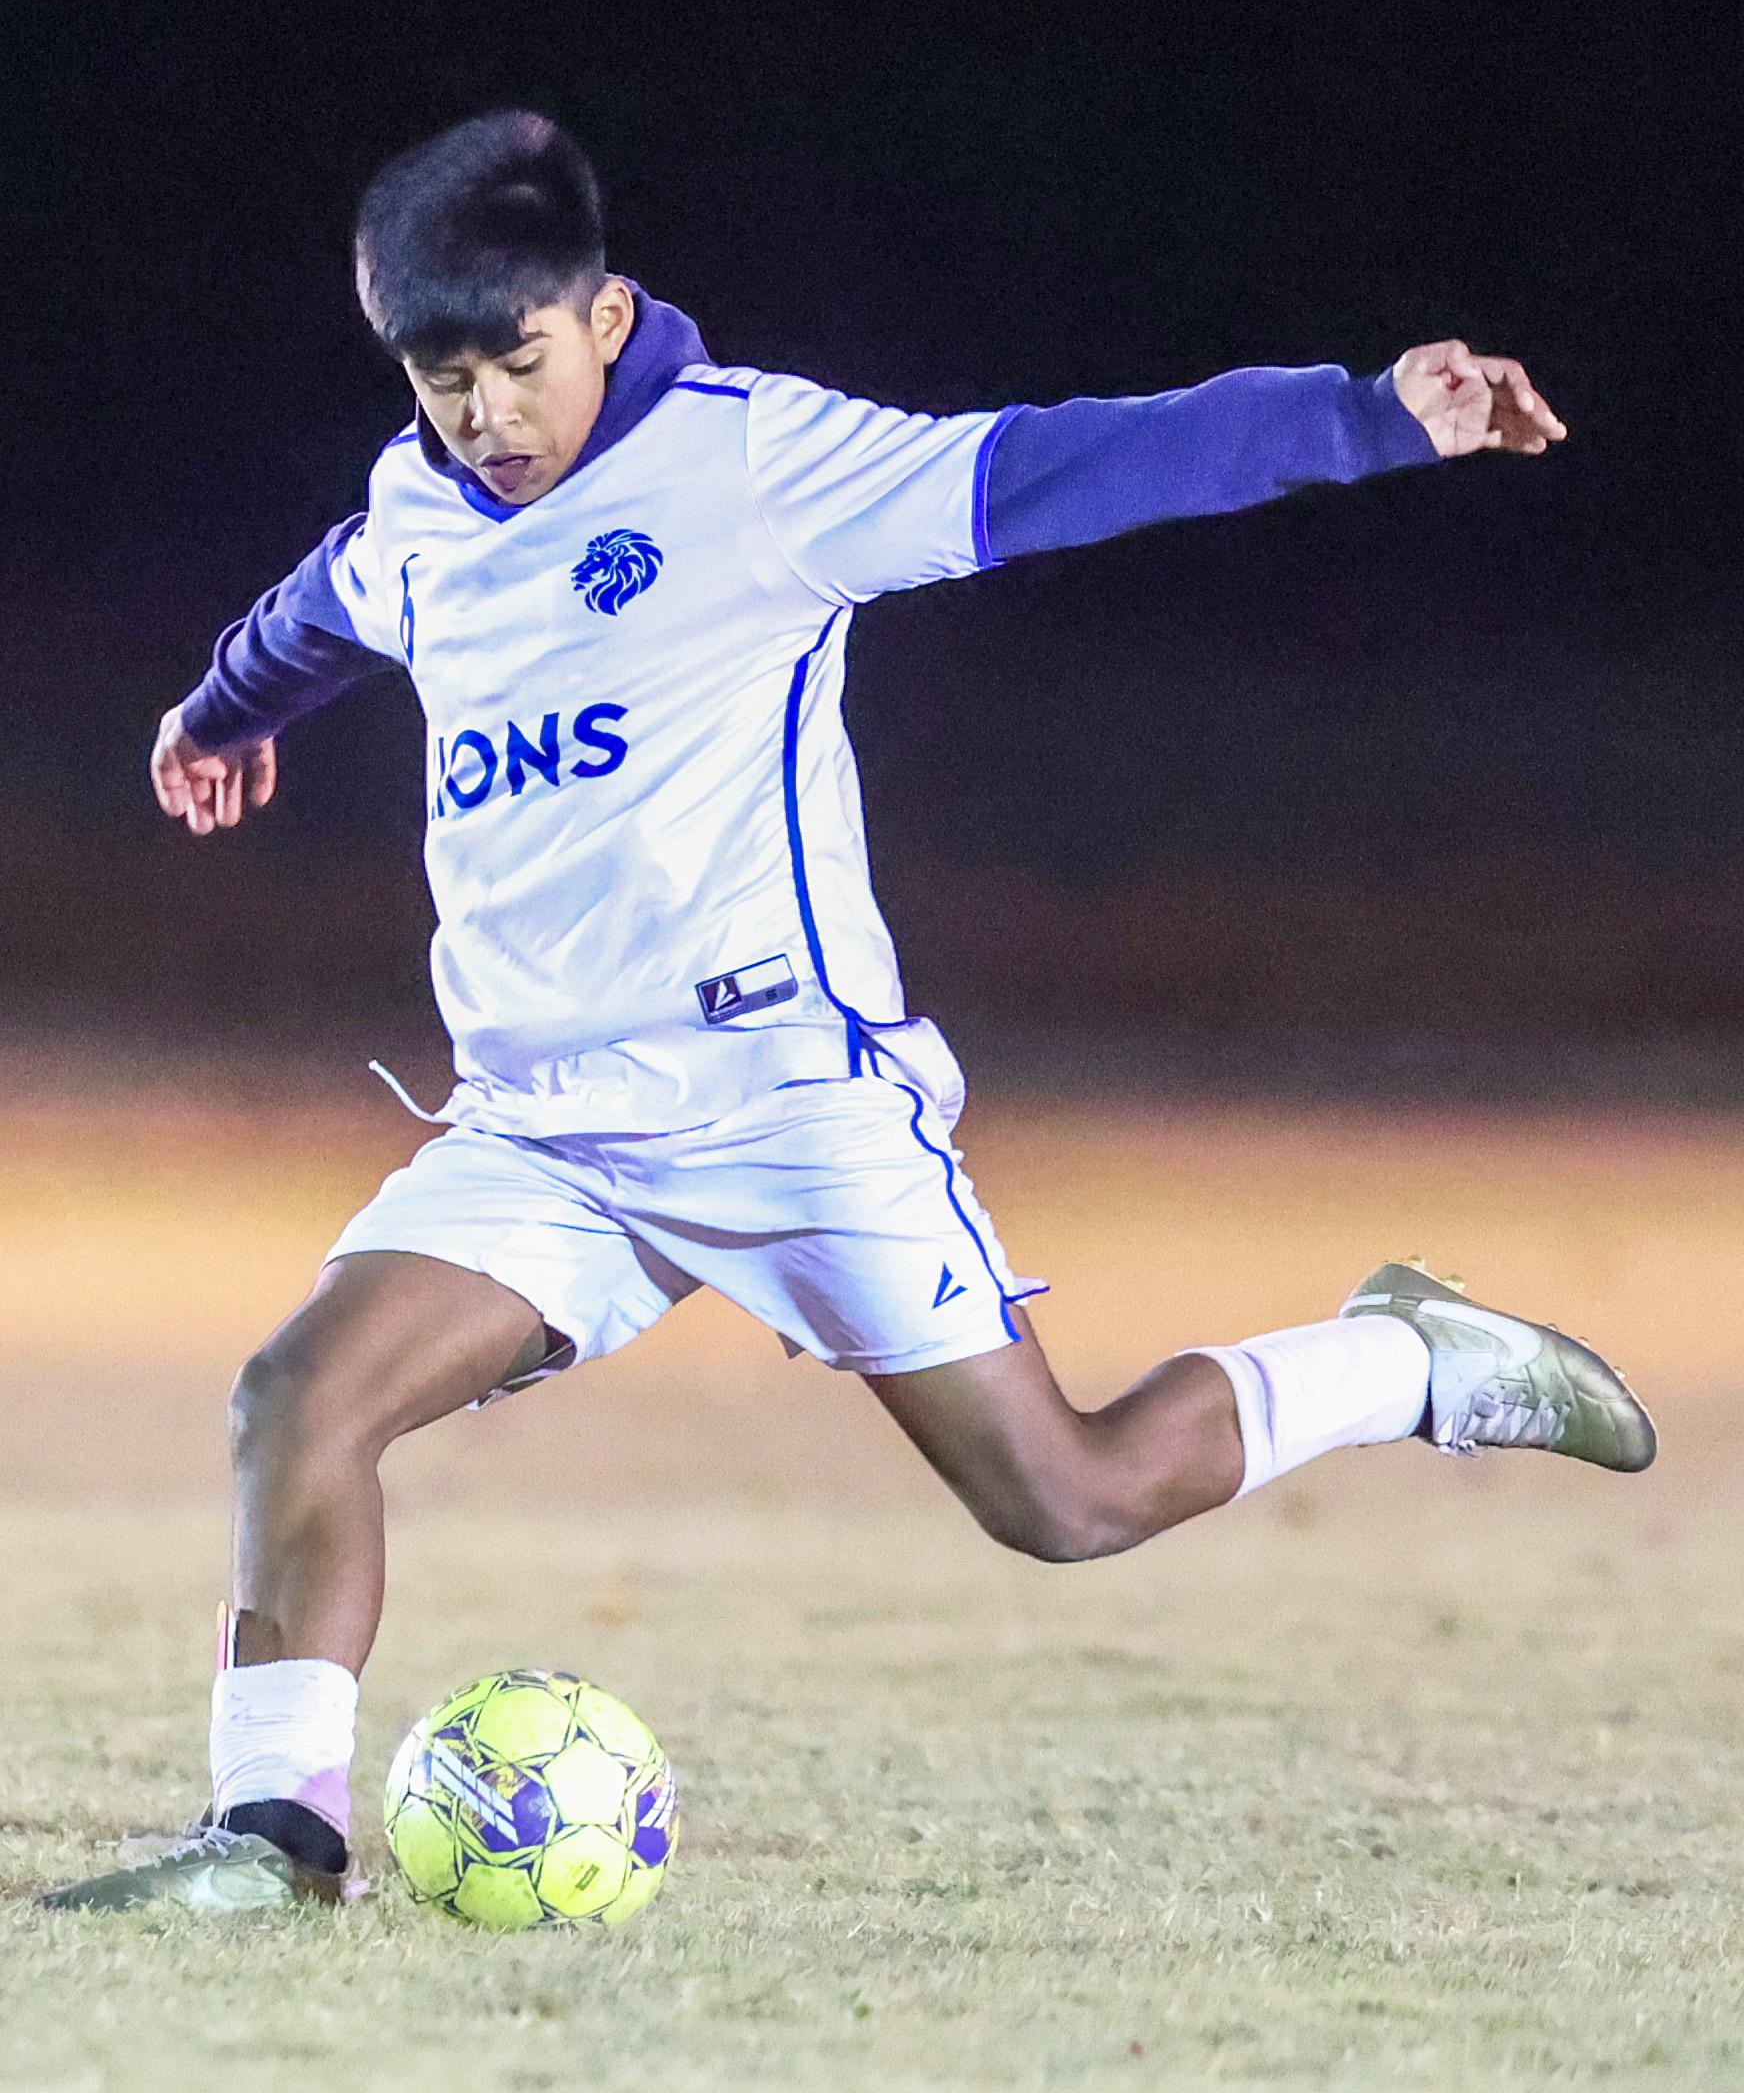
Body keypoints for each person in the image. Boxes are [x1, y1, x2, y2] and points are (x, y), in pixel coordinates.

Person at [47, 111, 1650, 1914]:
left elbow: (1057, 468)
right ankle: (274, 1841)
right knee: (295, 1399)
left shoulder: (755, 468)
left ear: (606, 315)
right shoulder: (423, 509)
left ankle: (1412, 1360)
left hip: (783, 1096)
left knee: (1068, 1499)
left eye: (518, 364)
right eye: (444, 380)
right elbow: (332, 599)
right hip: (544, 1133)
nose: (486, 415)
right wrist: (221, 712)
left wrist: (1368, 415)